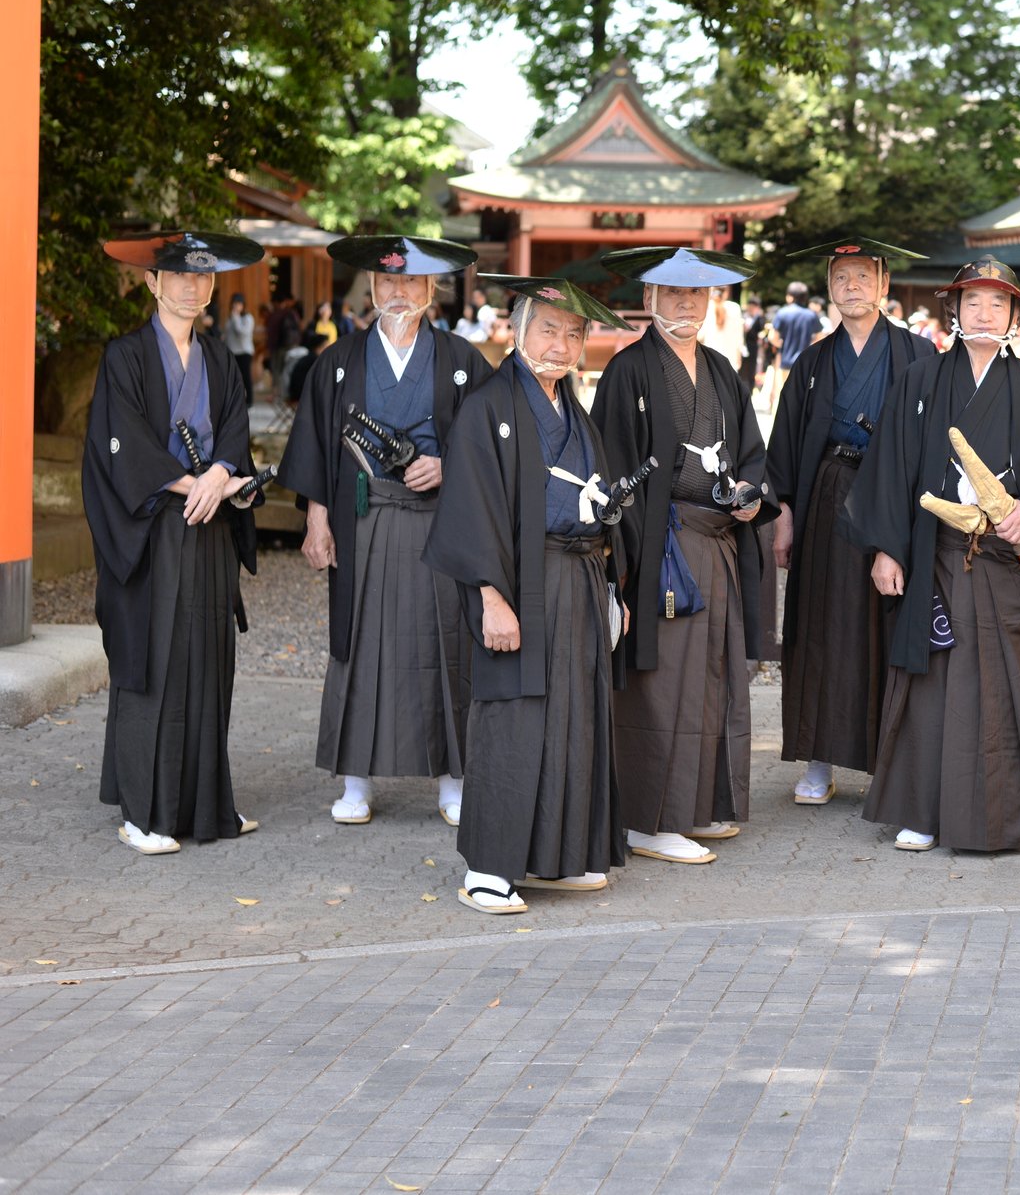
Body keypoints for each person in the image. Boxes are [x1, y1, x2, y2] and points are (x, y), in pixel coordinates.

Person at [839, 255, 1020, 853]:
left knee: (1005, 687)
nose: (983, 312)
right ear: (954, 309)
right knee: (931, 683)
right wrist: (887, 552)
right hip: (935, 555)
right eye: (971, 301)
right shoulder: (921, 381)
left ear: (1014, 315)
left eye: (997, 303)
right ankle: (923, 813)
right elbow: (892, 469)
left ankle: (1014, 822)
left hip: (1005, 560)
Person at [424, 275, 630, 915]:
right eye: (549, 329)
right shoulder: (489, 407)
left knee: (573, 715)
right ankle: (489, 867)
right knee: (512, 720)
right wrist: (490, 597)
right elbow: (471, 508)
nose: (562, 345)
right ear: (518, 331)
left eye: (575, 333)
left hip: (578, 578)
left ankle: (558, 856)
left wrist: (613, 588)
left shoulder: (576, 413)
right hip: (518, 581)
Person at [280, 235, 486, 827]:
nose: (399, 292)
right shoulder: (339, 361)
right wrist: (316, 517)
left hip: (439, 524)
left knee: (446, 643)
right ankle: (356, 781)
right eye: (388, 282)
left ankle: (453, 779)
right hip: (362, 519)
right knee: (360, 645)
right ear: (372, 288)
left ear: (430, 291)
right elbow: (316, 445)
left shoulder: (460, 360)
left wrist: (449, 465)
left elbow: (490, 438)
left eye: (411, 283)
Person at [591, 246, 776, 867]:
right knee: (662, 683)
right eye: (672, 294)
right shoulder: (628, 371)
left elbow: (751, 450)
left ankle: (700, 805)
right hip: (659, 549)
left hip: (718, 542)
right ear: (649, 301)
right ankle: (650, 817)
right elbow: (612, 470)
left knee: (712, 679)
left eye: (696, 295)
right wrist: (625, 566)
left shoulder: (723, 370)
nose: (686, 305)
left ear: (711, 302)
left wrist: (752, 497)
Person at [84, 230, 268, 854]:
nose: (193, 287)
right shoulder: (126, 357)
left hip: (210, 528)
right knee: (153, 663)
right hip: (156, 529)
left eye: (204, 277)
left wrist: (219, 475)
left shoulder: (219, 359)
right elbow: (122, 443)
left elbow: (236, 429)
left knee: (208, 661)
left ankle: (207, 807)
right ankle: (145, 811)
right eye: (179, 276)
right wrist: (190, 480)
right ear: (152, 283)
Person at [766, 238, 937, 806]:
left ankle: (891, 761)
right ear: (830, 287)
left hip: (900, 498)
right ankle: (819, 758)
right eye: (841, 277)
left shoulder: (918, 354)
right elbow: (785, 443)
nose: (852, 286)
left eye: (863, 276)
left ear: (884, 285)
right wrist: (784, 511)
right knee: (824, 624)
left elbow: (939, 439)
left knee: (889, 626)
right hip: (830, 494)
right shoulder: (814, 360)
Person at [769, 282, 821, 409]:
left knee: (783, 395)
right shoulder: (811, 315)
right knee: (802, 398)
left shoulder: (782, 313)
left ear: (790, 297)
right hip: (805, 364)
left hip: (785, 361)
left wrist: (782, 344)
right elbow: (820, 337)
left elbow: (772, 337)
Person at [265, 298, 301, 396]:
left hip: (278, 346)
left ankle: (275, 393)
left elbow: (270, 333)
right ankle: (284, 393)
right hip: (290, 345)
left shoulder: (274, 315)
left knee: (277, 370)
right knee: (286, 369)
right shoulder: (292, 313)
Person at [222, 293, 256, 399]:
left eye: (239, 304)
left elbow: (241, 332)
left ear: (243, 305)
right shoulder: (230, 318)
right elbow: (227, 334)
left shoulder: (248, 318)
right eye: (234, 304)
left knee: (245, 377)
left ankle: (249, 400)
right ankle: (236, 399)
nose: (236, 306)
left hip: (244, 352)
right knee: (233, 378)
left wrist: (236, 317)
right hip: (232, 352)